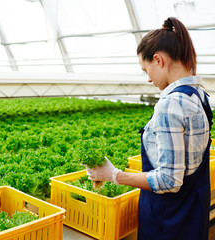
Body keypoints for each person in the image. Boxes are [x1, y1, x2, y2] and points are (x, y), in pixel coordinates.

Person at [85, 17, 213, 240]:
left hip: (168, 220)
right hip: (193, 212)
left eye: (146, 70)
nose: (148, 79)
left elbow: (169, 181)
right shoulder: (200, 95)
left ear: (158, 60)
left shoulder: (170, 104)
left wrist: (113, 175)